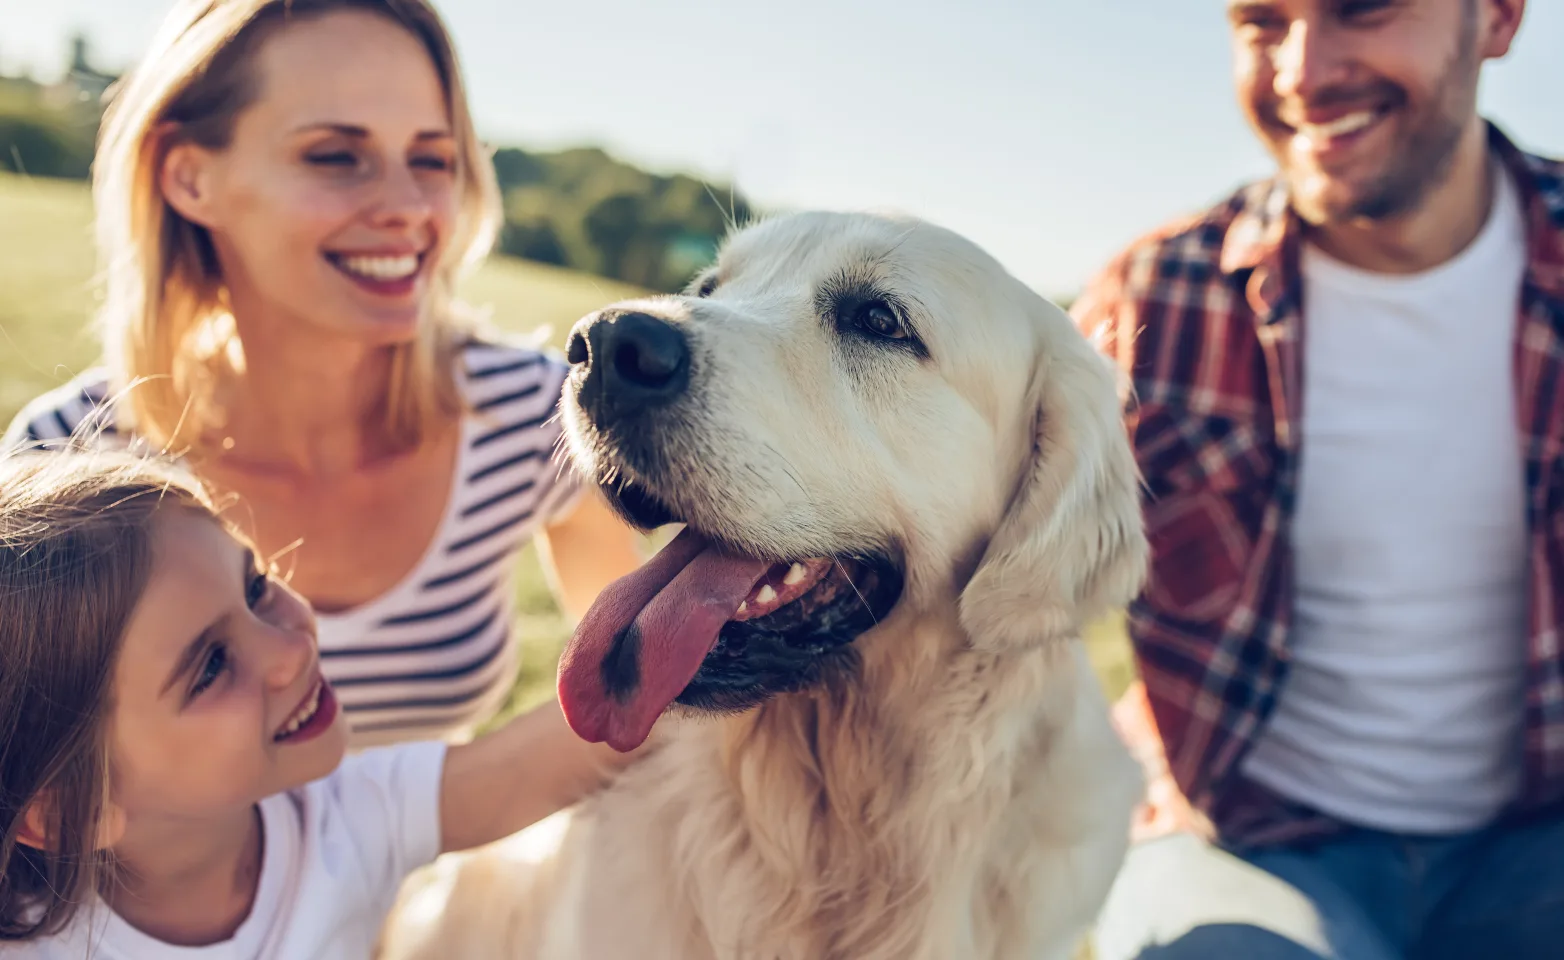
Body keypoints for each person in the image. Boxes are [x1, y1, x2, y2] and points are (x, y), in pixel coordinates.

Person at [1, 0, 646, 747]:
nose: (409, 208)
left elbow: (633, 705)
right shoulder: (65, 460)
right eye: (336, 156)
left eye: (433, 160)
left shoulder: (534, 414)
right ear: (189, 178)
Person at [1072, 1, 1564, 957]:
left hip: (1540, 844)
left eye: (1361, 9)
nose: (1302, 69)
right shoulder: (1152, 305)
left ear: (1498, 18)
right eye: (1263, 21)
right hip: (1251, 842)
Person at [0, 450, 646, 956]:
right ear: (66, 816)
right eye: (211, 667)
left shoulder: (341, 820)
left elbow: (538, 763)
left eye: (254, 587)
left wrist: (703, 627)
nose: (291, 649)